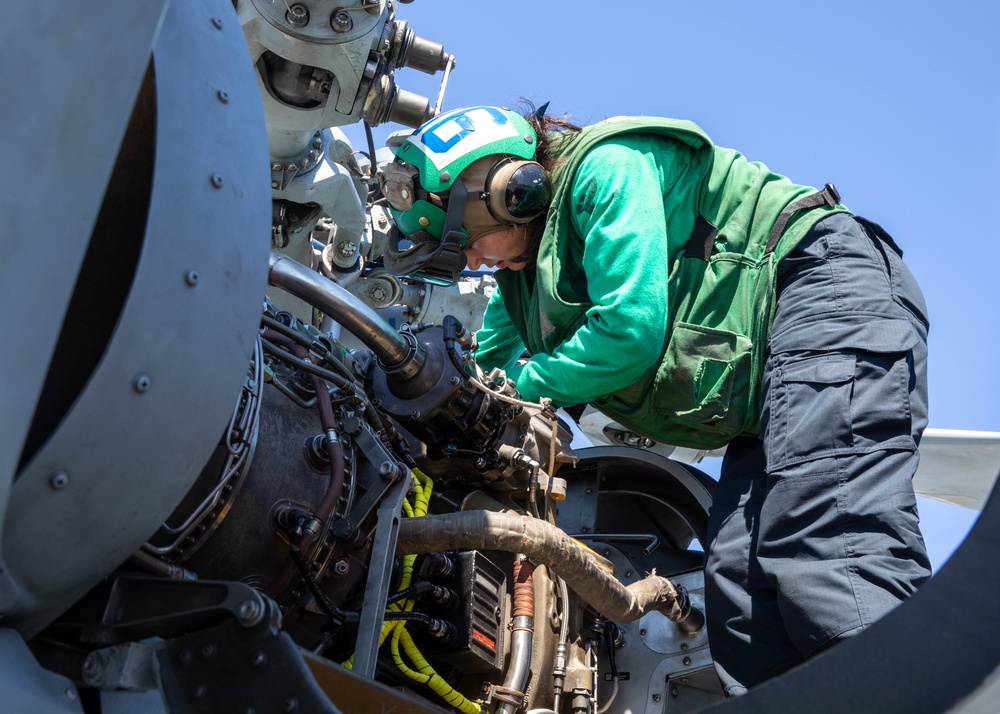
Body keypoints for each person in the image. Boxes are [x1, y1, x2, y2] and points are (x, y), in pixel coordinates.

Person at [380, 103, 932, 695]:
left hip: (822, 290)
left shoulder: (605, 169)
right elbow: (480, 370)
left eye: (465, 239)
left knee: (827, 546)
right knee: (742, 597)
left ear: (512, 191)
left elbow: (628, 332)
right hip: (767, 391)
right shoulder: (522, 274)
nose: (470, 260)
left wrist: (523, 387)